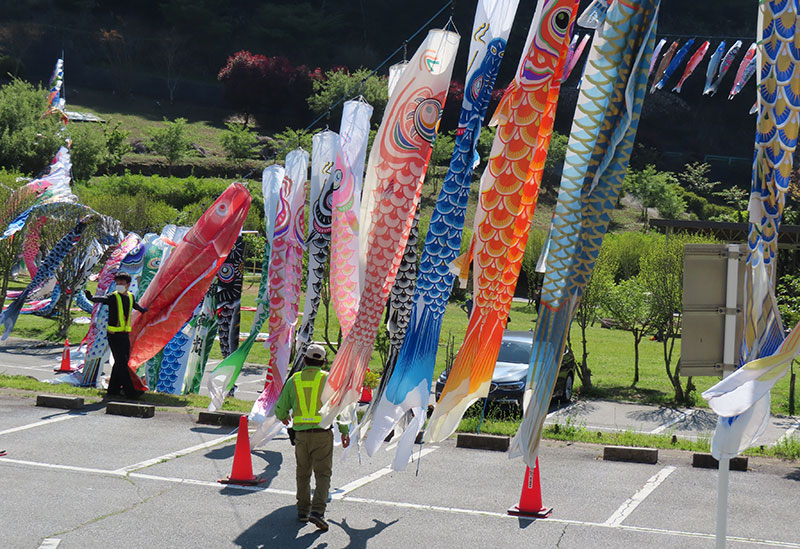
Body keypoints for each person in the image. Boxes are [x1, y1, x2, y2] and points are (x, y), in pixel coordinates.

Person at [275, 344, 350, 532]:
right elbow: (338, 408)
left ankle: (302, 511)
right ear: (323, 362)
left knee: (303, 474)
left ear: (305, 360)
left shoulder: (295, 380)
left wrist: (283, 415)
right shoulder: (329, 380)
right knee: (323, 474)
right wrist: (344, 430)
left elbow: (280, 408)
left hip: (300, 435)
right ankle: (317, 511)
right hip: (323, 434)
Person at [85, 273, 148, 398]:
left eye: (122, 283)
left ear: (128, 284)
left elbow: (135, 306)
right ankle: (131, 392)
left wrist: (143, 310)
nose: (119, 285)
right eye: (117, 283)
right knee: (122, 364)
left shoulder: (130, 296)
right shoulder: (113, 297)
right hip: (113, 336)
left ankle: (113, 390)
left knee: (122, 362)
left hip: (125, 335)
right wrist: (91, 298)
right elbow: (102, 299)